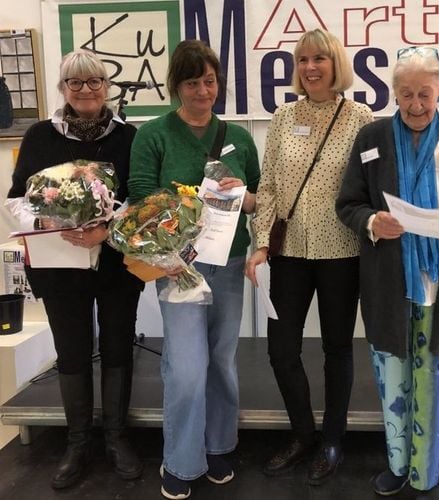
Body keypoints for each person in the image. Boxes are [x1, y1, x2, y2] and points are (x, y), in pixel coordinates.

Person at [336, 46, 439, 500]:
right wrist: (373, 221)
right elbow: (348, 203)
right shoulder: (372, 138)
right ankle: (398, 464)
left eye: (424, 93)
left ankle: (433, 472)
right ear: (394, 93)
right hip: (389, 285)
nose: (416, 104)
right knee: (394, 377)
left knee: (436, 378)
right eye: (406, 94)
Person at [127, 39, 260, 500]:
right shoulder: (154, 135)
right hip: (177, 267)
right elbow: (140, 198)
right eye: (191, 83)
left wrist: (243, 194)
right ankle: (181, 459)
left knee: (221, 361)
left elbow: (260, 199)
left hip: (229, 262)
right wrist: (169, 238)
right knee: (186, 366)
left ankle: (219, 445)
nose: (203, 91)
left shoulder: (239, 138)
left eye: (209, 81)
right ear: (175, 86)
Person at [6, 49, 144, 489]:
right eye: (75, 82)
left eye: (94, 81)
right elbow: (16, 199)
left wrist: (107, 228)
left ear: (107, 86)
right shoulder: (39, 136)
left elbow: (140, 198)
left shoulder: (128, 137)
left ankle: (117, 438)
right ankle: (78, 443)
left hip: (116, 263)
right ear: (63, 87)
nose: (86, 90)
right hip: (59, 264)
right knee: (72, 351)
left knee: (119, 347)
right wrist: (45, 219)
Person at [245, 28, 372, 485]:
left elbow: (370, 187)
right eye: (303, 59)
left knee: (337, 349)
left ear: (336, 63)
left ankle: (332, 440)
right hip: (290, 252)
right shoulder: (283, 117)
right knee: (281, 349)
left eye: (319, 58)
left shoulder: (361, 118)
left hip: (342, 251)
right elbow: (269, 187)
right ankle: (302, 434)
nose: (311, 67)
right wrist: (262, 243)